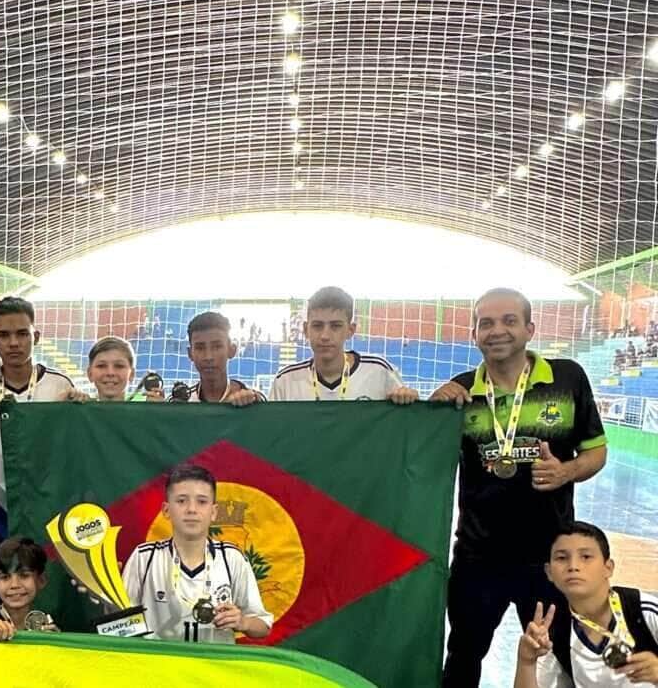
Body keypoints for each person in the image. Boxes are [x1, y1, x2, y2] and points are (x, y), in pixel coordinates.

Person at [430, 287, 608, 687]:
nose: (497, 331)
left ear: (529, 328)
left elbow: (596, 453)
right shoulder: (460, 392)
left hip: (548, 558)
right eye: (486, 323)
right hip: (478, 557)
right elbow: (424, 461)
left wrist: (566, 471)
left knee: (561, 656)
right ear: (474, 333)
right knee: (463, 656)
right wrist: (432, 406)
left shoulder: (567, 377)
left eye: (509, 321)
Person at [121, 463, 272, 644]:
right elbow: (120, 626)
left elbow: (263, 626)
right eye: (181, 500)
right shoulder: (144, 558)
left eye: (202, 501)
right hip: (159, 667)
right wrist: (103, 595)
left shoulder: (232, 558)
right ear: (166, 510)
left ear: (214, 511)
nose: (191, 509)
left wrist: (243, 622)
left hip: (214, 667)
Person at [0, 297, 76, 549]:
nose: (14, 343)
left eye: (22, 334)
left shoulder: (60, 385)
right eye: (4, 335)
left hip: (47, 500)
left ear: (36, 336)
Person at [516, 522, 658, 687]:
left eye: (586, 557)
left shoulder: (644, 611)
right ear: (549, 572)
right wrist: (526, 662)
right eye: (562, 558)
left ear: (608, 567)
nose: (573, 566)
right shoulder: (554, 634)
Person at [268, 287, 418, 403]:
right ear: (306, 330)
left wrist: (409, 400)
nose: (325, 336)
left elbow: (407, 424)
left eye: (335, 326)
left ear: (350, 330)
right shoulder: (285, 381)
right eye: (317, 326)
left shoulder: (379, 371)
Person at [0, 536, 58, 639]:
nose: (14, 585)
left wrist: (56, 640)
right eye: (5, 577)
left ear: (41, 580)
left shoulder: (46, 622)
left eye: (24, 575)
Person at [179, 311, 264, 406]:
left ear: (232, 350)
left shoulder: (253, 401)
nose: (208, 357)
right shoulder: (178, 404)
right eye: (200, 348)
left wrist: (256, 405)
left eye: (217, 347)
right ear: (190, 354)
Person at [87, 336, 162, 402]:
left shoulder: (146, 414)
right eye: (101, 366)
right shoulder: (78, 410)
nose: (110, 372)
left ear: (132, 374)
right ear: (90, 374)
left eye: (119, 366)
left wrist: (158, 414)